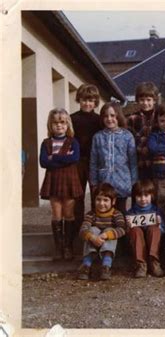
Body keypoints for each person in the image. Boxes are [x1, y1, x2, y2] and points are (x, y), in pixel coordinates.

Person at [39, 108, 83, 260]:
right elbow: (44, 162)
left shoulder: (73, 142)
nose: (59, 126)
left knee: (69, 213)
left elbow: (75, 158)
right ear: (50, 125)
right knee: (57, 213)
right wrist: (64, 158)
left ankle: (68, 247)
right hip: (53, 181)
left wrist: (54, 158)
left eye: (62, 123)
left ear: (67, 124)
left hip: (69, 180)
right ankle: (58, 248)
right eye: (55, 123)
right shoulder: (46, 143)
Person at [90, 102, 138, 214]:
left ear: (119, 116)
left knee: (120, 211)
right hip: (104, 181)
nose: (109, 119)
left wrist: (134, 182)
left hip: (123, 181)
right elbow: (93, 162)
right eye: (106, 116)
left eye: (113, 116)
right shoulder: (98, 137)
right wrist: (93, 182)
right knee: (104, 211)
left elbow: (133, 162)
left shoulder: (127, 136)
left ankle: (122, 231)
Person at [70, 84, 102, 252]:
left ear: (95, 102)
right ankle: (78, 230)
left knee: (97, 194)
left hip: (94, 161)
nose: (87, 104)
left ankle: (96, 226)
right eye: (84, 100)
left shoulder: (99, 120)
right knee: (78, 196)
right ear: (79, 100)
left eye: (91, 101)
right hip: (77, 161)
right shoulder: (72, 118)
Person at [77, 183, 127, 281]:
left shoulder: (116, 214)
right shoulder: (91, 214)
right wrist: (92, 237)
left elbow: (122, 229)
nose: (101, 203)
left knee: (110, 230)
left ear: (113, 201)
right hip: (94, 243)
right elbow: (83, 230)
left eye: (105, 200)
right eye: (98, 199)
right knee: (92, 230)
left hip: (110, 246)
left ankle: (106, 266)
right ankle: (86, 266)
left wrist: (106, 235)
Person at [125, 180, 165, 278]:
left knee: (154, 229)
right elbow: (128, 234)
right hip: (138, 241)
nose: (143, 199)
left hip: (152, 240)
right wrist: (128, 226)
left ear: (152, 196)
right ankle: (141, 265)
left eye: (146, 195)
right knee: (135, 230)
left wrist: (159, 224)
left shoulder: (157, 211)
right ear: (134, 197)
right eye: (139, 196)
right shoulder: (131, 212)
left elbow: (164, 230)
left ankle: (154, 262)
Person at [127, 81, 160, 180]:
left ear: (154, 100)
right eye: (142, 100)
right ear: (137, 100)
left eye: (149, 100)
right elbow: (130, 141)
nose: (145, 103)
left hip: (157, 161)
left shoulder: (160, 116)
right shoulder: (132, 118)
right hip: (139, 161)